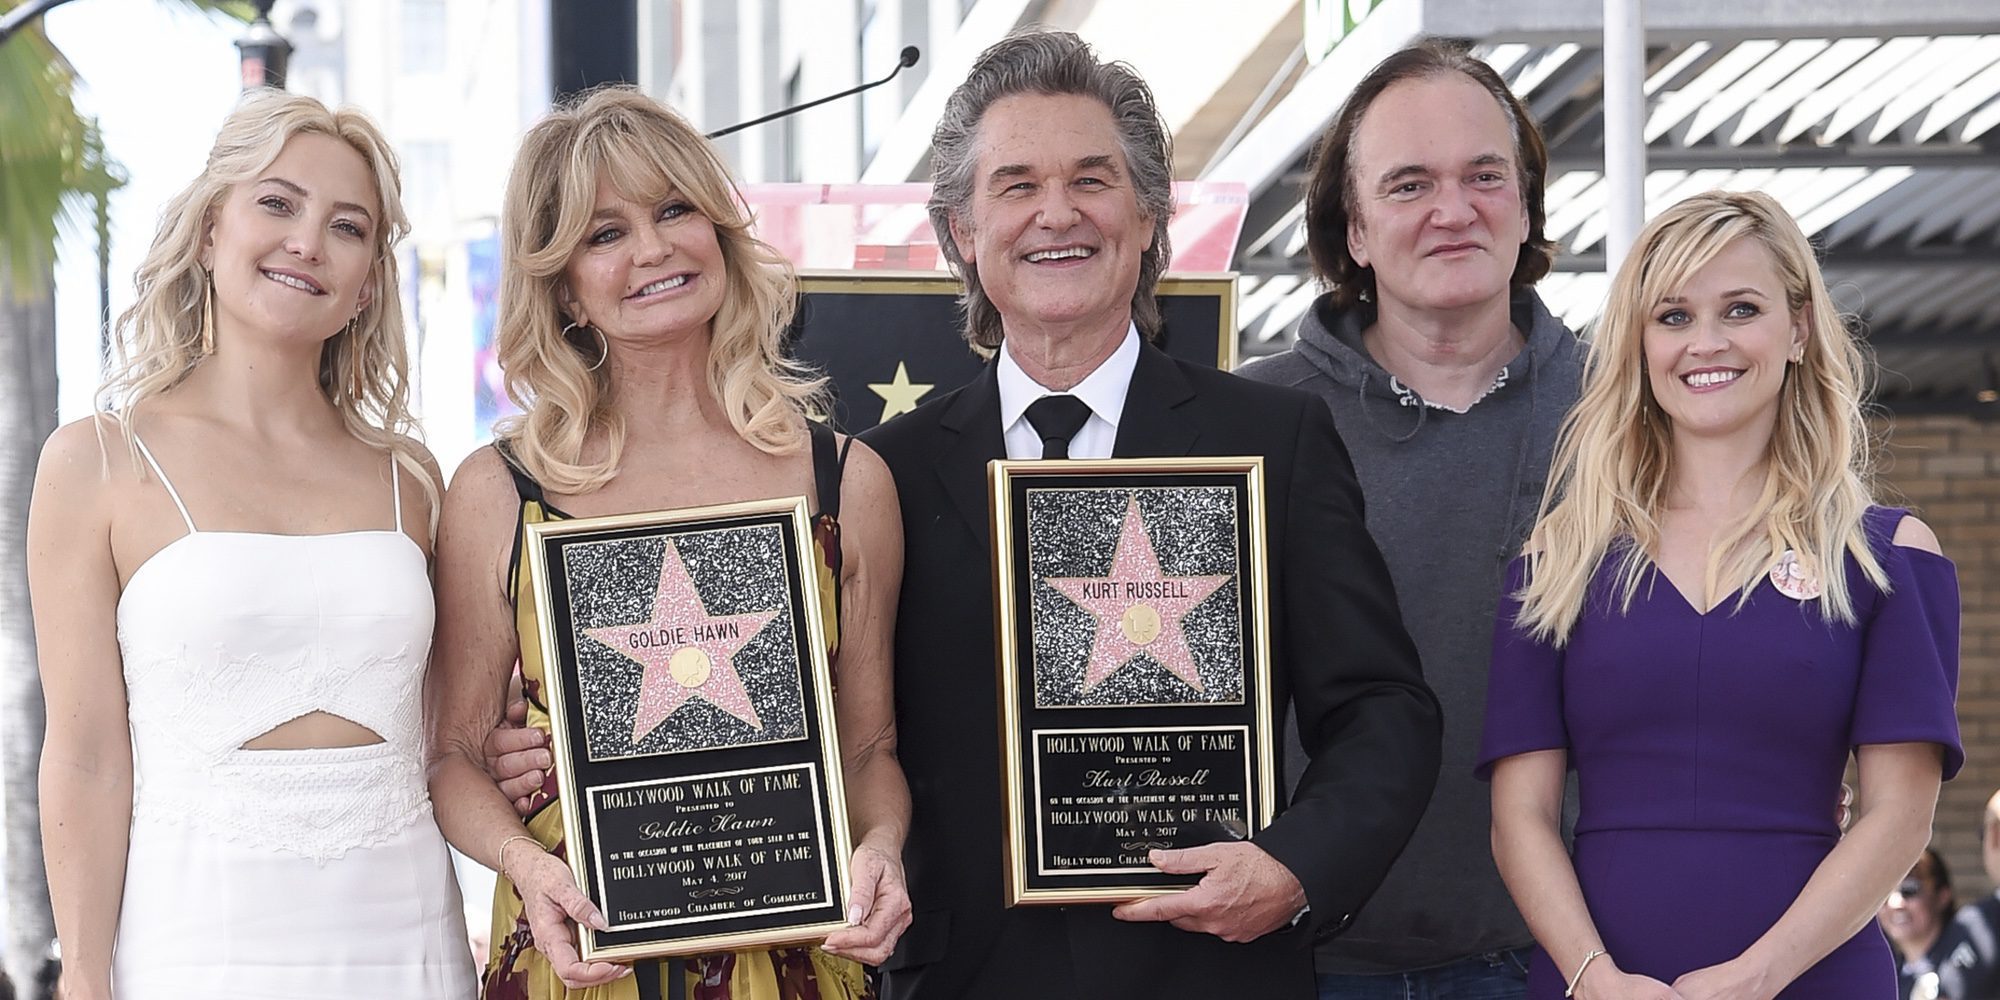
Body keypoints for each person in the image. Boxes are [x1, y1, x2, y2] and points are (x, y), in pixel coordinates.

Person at [858, 30, 1441, 1000]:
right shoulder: (886, 472)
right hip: (966, 980)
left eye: (1091, 178)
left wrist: (1295, 867)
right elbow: (841, 730)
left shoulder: (1272, 441)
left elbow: (1383, 709)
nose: (1057, 213)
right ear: (961, 230)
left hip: (1211, 973)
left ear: (1146, 215)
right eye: (1015, 185)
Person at [426, 86, 911, 1000]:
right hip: (580, 960)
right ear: (562, 283)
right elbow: (452, 758)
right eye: (604, 234)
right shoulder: (498, 492)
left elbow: (868, 749)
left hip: (801, 962)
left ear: (721, 232)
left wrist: (880, 847)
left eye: (674, 209)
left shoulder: (847, 481)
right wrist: (525, 868)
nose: (652, 249)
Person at [27, 90, 473, 998]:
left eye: (347, 227)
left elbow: (452, 737)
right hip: (191, 934)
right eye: (277, 203)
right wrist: (81, 973)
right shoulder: (97, 462)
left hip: (404, 933)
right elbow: (84, 755)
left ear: (367, 286)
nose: (307, 240)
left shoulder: (416, 480)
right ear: (208, 231)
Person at [1480, 190, 1962, 999]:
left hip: (1814, 978)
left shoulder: (1887, 558)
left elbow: (1899, 818)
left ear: (1799, 328)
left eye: (1741, 309)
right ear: (1638, 341)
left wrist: (1755, 978)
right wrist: (1595, 979)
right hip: (1598, 984)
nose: (1706, 343)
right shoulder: (1558, 560)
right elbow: (1518, 818)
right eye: (1672, 316)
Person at [1236, 39, 1581, 998]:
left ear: (1524, 205)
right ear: (1352, 227)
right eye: (1409, 184)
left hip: (1564, 961)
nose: (1453, 210)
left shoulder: (1627, 411)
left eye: (1484, 176)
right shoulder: (1244, 427)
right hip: (1297, 965)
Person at [1882, 848, 1989, 999]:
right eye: (1884, 894)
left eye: (1910, 890)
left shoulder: (1973, 953)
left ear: (1943, 895)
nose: (1895, 903)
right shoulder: (1886, 976)